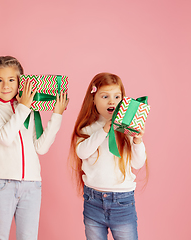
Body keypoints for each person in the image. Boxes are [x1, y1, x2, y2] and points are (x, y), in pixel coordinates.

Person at [0, 56, 69, 240]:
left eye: (11, 80)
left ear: (21, 82)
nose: (6, 85)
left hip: (32, 185)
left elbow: (41, 147)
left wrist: (57, 115)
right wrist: (23, 107)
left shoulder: (30, 110)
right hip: (2, 184)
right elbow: (5, 137)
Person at [70, 72, 148, 240]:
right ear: (93, 100)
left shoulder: (126, 130)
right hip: (93, 201)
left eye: (117, 96)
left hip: (122, 202)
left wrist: (138, 141)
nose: (112, 101)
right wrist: (104, 129)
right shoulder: (87, 129)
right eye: (105, 96)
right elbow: (82, 152)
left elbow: (138, 162)